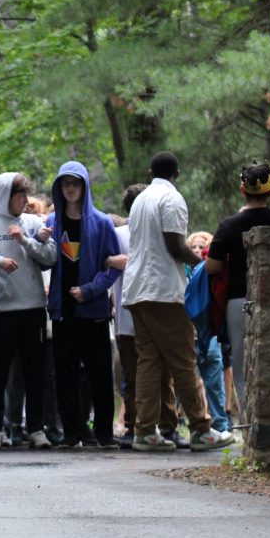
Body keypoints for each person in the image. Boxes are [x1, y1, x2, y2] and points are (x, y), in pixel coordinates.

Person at [122, 151, 233, 452]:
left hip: (136, 290)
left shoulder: (141, 201)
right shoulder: (171, 199)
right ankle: (202, 428)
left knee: (149, 361)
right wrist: (203, 264)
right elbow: (174, 245)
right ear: (178, 173)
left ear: (149, 172)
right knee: (184, 360)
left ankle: (144, 431)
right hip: (163, 290)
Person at [206, 162, 270, 422]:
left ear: (242, 189)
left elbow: (212, 265)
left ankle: (248, 422)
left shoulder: (230, 225)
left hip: (238, 301)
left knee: (242, 363)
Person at [44, 161, 122, 449]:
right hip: (63, 312)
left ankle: (103, 433)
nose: (70, 189)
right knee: (64, 375)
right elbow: (42, 259)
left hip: (94, 313)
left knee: (99, 374)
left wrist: (90, 291)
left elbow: (113, 266)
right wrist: (37, 240)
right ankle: (72, 432)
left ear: (85, 186)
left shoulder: (101, 223)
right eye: (65, 184)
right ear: (59, 188)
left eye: (75, 183)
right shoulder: (52, 222)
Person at [0, 172, 56, 450]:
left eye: (25, 195)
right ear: (3, 197)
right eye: (18, 195)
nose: (24, 200)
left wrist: (25, 240)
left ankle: (36, 428)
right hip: (1, 311)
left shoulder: (34, 222)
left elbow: (50, 257)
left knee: (34, 372)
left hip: (34, 308)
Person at [109, 184, 183, 449]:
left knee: (158, 375)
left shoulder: (157, 234)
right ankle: (138, 426)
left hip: (139, 313)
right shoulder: (119, 234)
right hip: (129, 317)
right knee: (139, 375)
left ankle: (164, 426)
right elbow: (105, 261)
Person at [187, 231, 232, 430]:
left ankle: (221, 424)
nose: (197, 250)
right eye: (193, 247)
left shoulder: (214, 271)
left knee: (214, 376)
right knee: (186, 378)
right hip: (188, 332)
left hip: (210, 332)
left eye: (201, 246)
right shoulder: (182, 271)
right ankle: (188, 421)